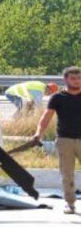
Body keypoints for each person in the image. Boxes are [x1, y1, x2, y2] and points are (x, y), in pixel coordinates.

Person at [33, 67, 81, 214]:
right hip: (64, 140)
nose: (76, 80)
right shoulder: (58, 97)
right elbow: (46, 117)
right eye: (73, 78)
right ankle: (70, 203)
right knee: (67, 174)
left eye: (78, 78)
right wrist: (38, 133)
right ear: (65, 80)